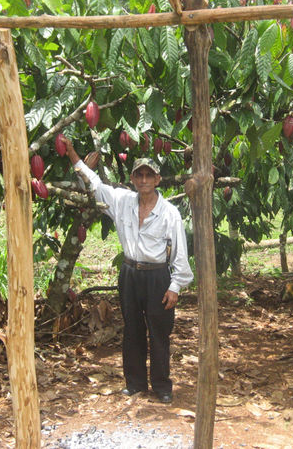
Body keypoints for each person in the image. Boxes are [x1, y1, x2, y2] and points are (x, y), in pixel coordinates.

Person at [60, 136, 193, 404]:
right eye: (139, 175)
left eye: (149, 175)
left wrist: (175, 286)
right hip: (130, 274)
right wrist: (73, 154)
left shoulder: (169, 213)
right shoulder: (122, 201)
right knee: (132, 329)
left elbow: (180, 253)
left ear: (157, 180)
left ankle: (162, 385)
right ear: (133, 179)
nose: (144, 180)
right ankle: (134, 383)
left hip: (158, 276)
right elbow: (95, 183)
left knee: (159, 332)